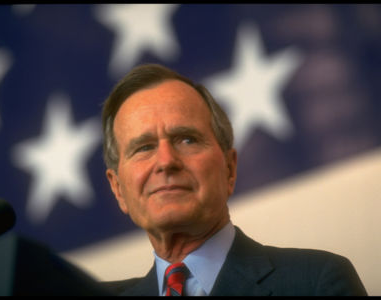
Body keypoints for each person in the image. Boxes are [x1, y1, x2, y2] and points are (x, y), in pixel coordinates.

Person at [100, 63, 367, 296]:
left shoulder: (315, 282)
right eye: (144, 147)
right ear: (118, 189)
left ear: (229, 168)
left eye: (187, 139)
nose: (166, 161)